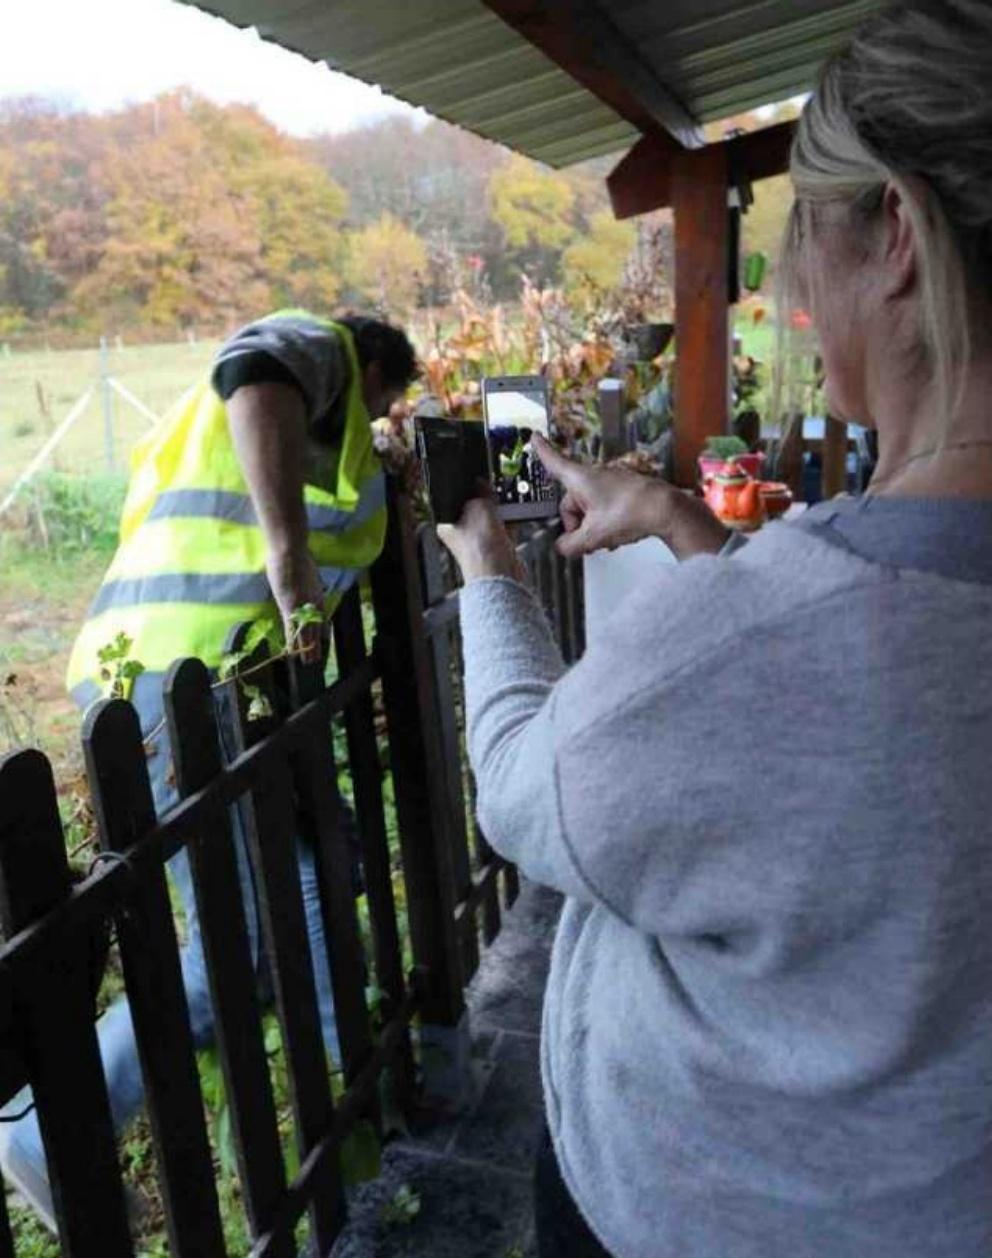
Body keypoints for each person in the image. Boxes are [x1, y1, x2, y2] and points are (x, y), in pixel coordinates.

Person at [438, 2, 992, 1254]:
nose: (795, 283)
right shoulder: (795, 623)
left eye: (809, 228)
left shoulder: (771, 636)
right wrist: (689, 526)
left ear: (894, 232)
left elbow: (526, 791)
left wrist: (485, 566)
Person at [0, 310, 418, 1231]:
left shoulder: (326, 434)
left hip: (200, 681)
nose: (376, 424)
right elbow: (255, 367)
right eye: (384, 407)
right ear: (376, 366)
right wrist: (289, 553)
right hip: (168, 680)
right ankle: (44, 1125)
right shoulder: (317, 346)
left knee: (318, 865)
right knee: (240, 945)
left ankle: (343, 1080)